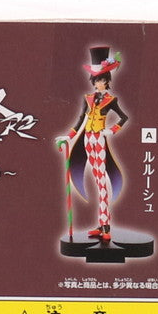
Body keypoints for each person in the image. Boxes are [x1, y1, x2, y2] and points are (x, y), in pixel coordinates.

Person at [56, 47, 129, 242]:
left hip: (99, 139)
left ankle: (106, 225)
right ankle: (101, 224)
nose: (99, 83)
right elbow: (80, 119)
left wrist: (112, 130)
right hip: (87, 139)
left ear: (107, 81)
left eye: (102, 80)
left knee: (102, 182)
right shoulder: (87, 98)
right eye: (96, 80)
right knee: (97, 182)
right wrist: (68, 137)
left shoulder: (111, 100)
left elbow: (124, 117)